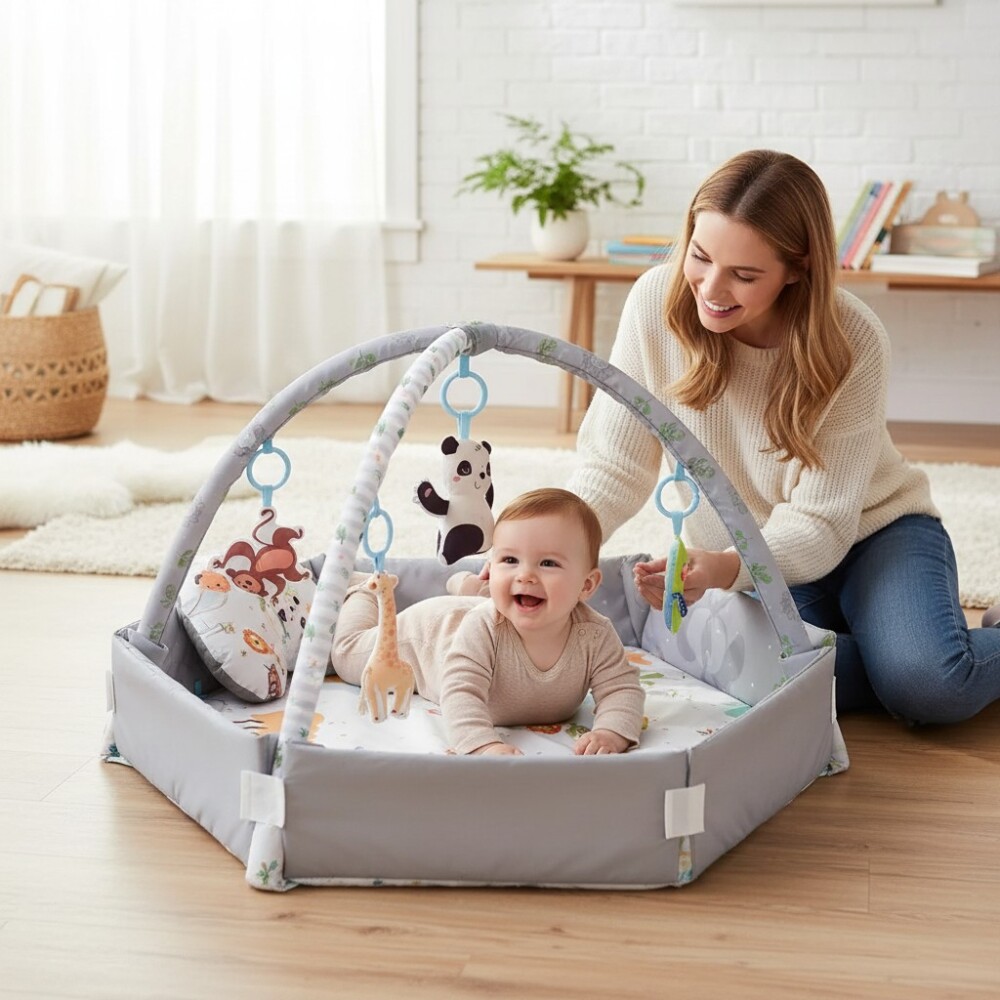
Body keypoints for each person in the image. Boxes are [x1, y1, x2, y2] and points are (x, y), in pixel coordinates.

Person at [566, 149, 1000, 725]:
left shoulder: (853, 339)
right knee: (757, 677)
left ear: (797, 269)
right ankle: (897, 644)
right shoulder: (654, 304)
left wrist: (725, 568)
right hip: (753, 556)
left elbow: (822, 522)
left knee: (929, 687)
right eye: (700, 256)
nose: (711, 288)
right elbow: (614, 464)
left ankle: (918, 651)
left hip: (874, 534)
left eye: (744, 275)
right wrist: (553, 550)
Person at [331, 488, 645, 755]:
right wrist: (482, 745)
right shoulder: (483, 629)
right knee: (346, 655)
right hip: (430, 635)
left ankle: (468, 585)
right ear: (492, 566)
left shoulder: (595, 635)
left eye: (548, 563)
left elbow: (621, 688)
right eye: (510, 560)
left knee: (502, 598)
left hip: (485, 607)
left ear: (587, 585)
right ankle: (363, 589)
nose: (525, 574)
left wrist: (611, 732)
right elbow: (461, 692)